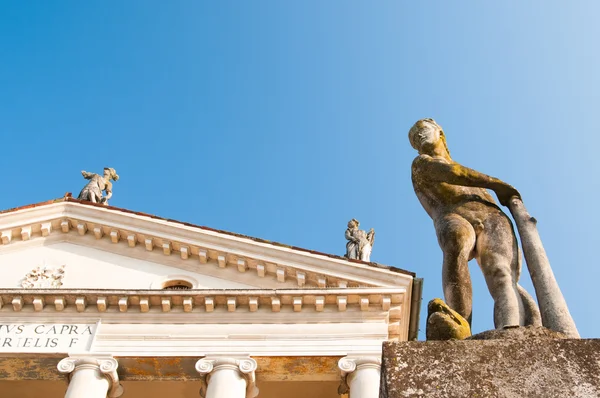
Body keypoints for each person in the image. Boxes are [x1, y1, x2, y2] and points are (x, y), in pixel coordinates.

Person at [409, 119, 539, 328]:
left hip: (491, 217)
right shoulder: (421, 164)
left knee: (501, 273)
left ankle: (511, 327)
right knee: (456, 240)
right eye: (414, 139)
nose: (418, 138)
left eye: (422, 131)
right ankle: (460, 322)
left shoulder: (476, 185)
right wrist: (497, 184)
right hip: (453, 215)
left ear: (440, 133)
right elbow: (455, 174)